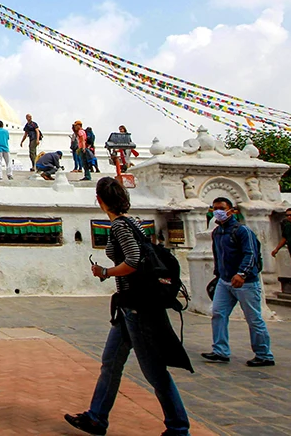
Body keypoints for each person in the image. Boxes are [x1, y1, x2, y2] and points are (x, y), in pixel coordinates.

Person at [64, 177, 191, 436]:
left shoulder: (120, 226)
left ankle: (179, 428)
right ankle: (96, 418)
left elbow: (133, 260)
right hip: (127, 306)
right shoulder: (133, 221)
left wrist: (106, 271)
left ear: (99, 200)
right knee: (110, 362)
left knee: (154, 371)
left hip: (138, 306)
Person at [202, 197, 275, 367]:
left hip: (245, 282)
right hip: (224, 280)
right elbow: (218, 255)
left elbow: (251, 254)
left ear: (231, 210)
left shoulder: (242, 231)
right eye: (214, 208)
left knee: (253, 318)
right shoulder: (217, 232)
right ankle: (220, 350)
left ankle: (264, 354)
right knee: (218, 313)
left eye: (221, 208)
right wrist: (218, 274)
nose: (217, 211)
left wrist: (242, 273)